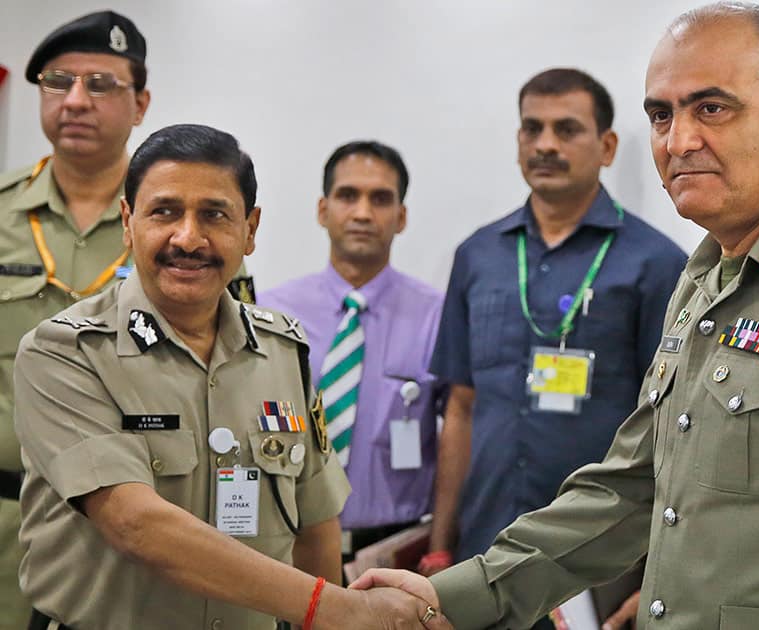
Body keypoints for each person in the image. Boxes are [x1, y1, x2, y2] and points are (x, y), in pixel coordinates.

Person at [355, 3, 759, 628]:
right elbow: (630, 490)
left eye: (711, 108)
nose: (679, 140)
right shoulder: (704, 278)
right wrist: (456, 596)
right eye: (662, 114)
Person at [14, 123, 449, 630]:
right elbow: (135, 524)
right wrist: (338, 610)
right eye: (165, 212)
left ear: (250, 229)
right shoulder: (66, 351)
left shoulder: (284, 350)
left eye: (215, 215)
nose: (188, 238)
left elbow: (315, 523)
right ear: (128, 221)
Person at [419, 67, 686, 627]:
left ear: (607, 146)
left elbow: (671, 427)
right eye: (532, 129)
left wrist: (656, 568)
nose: (545, 144)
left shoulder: (656, 264)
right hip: (483, 550)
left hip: (600, 558)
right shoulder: (477, 256)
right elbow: (461, 407)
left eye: (567, 129)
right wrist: (441, 546)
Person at [0, 12, 152, 627]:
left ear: (141, 103)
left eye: (101, 84)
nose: (76, 100)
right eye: (58, 82)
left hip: (128, 535)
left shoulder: (177, 227)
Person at [258, 141, 444, 562]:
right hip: (288, 542)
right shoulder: (270, 313)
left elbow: (461, 431)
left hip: (392, 548)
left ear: (401, 217)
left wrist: (443, 543)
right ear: (323, 210)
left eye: (380, 199)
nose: (362, 213)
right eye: (348, 196)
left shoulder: (438, 315)